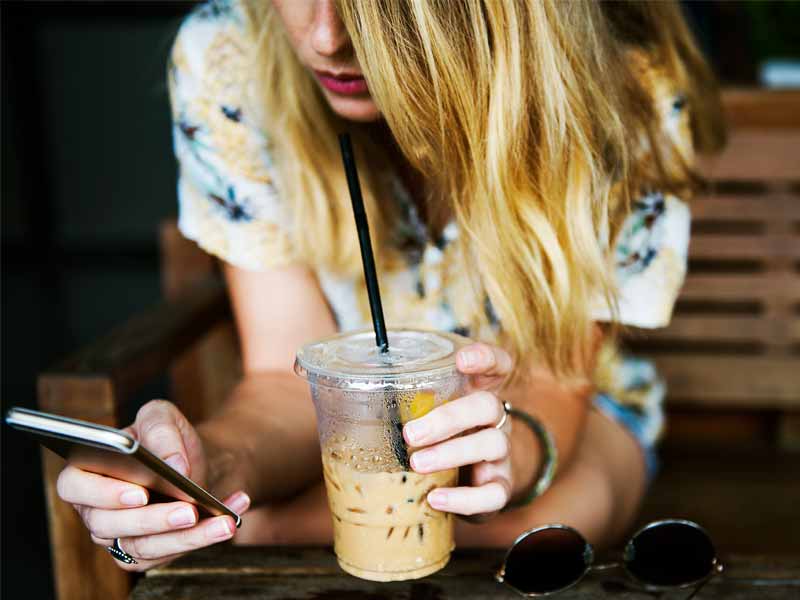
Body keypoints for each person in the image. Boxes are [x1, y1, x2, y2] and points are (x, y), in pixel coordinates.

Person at [56, 0, 725, 572]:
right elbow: (287, 380)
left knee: (535, 530)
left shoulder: (623, 89)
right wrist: (214, 469)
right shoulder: (229, 57)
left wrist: (506, 457)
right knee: (407, 530)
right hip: (347, 430)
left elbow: (557, 381)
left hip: (566, 409)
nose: (325, 38)